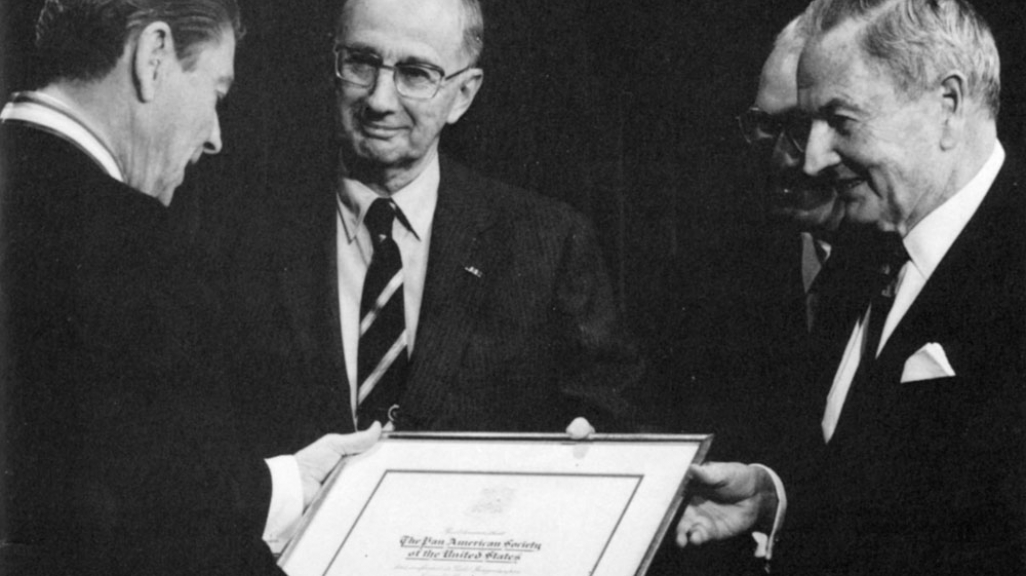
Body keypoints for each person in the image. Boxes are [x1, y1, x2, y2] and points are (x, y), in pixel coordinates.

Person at [0, 2, 381, 574]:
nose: (215, 138)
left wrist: (286, 483)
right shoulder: (135, 247)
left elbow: (103, 487)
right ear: (153, 56)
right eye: (216, 94)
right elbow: (170, 535)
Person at [676, 0, 1026, 574]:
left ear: (949, 105)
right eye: (807, 123)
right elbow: (877, 485)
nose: (812, 159)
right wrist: (774, 498)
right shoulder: (868, 252)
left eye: (840, 122)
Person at [226, 0, 643, 453]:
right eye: (361, 63)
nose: (380, 100)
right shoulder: (243, 237)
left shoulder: (548, 244)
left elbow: (613, 419)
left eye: (416, 73)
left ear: (462, 95)